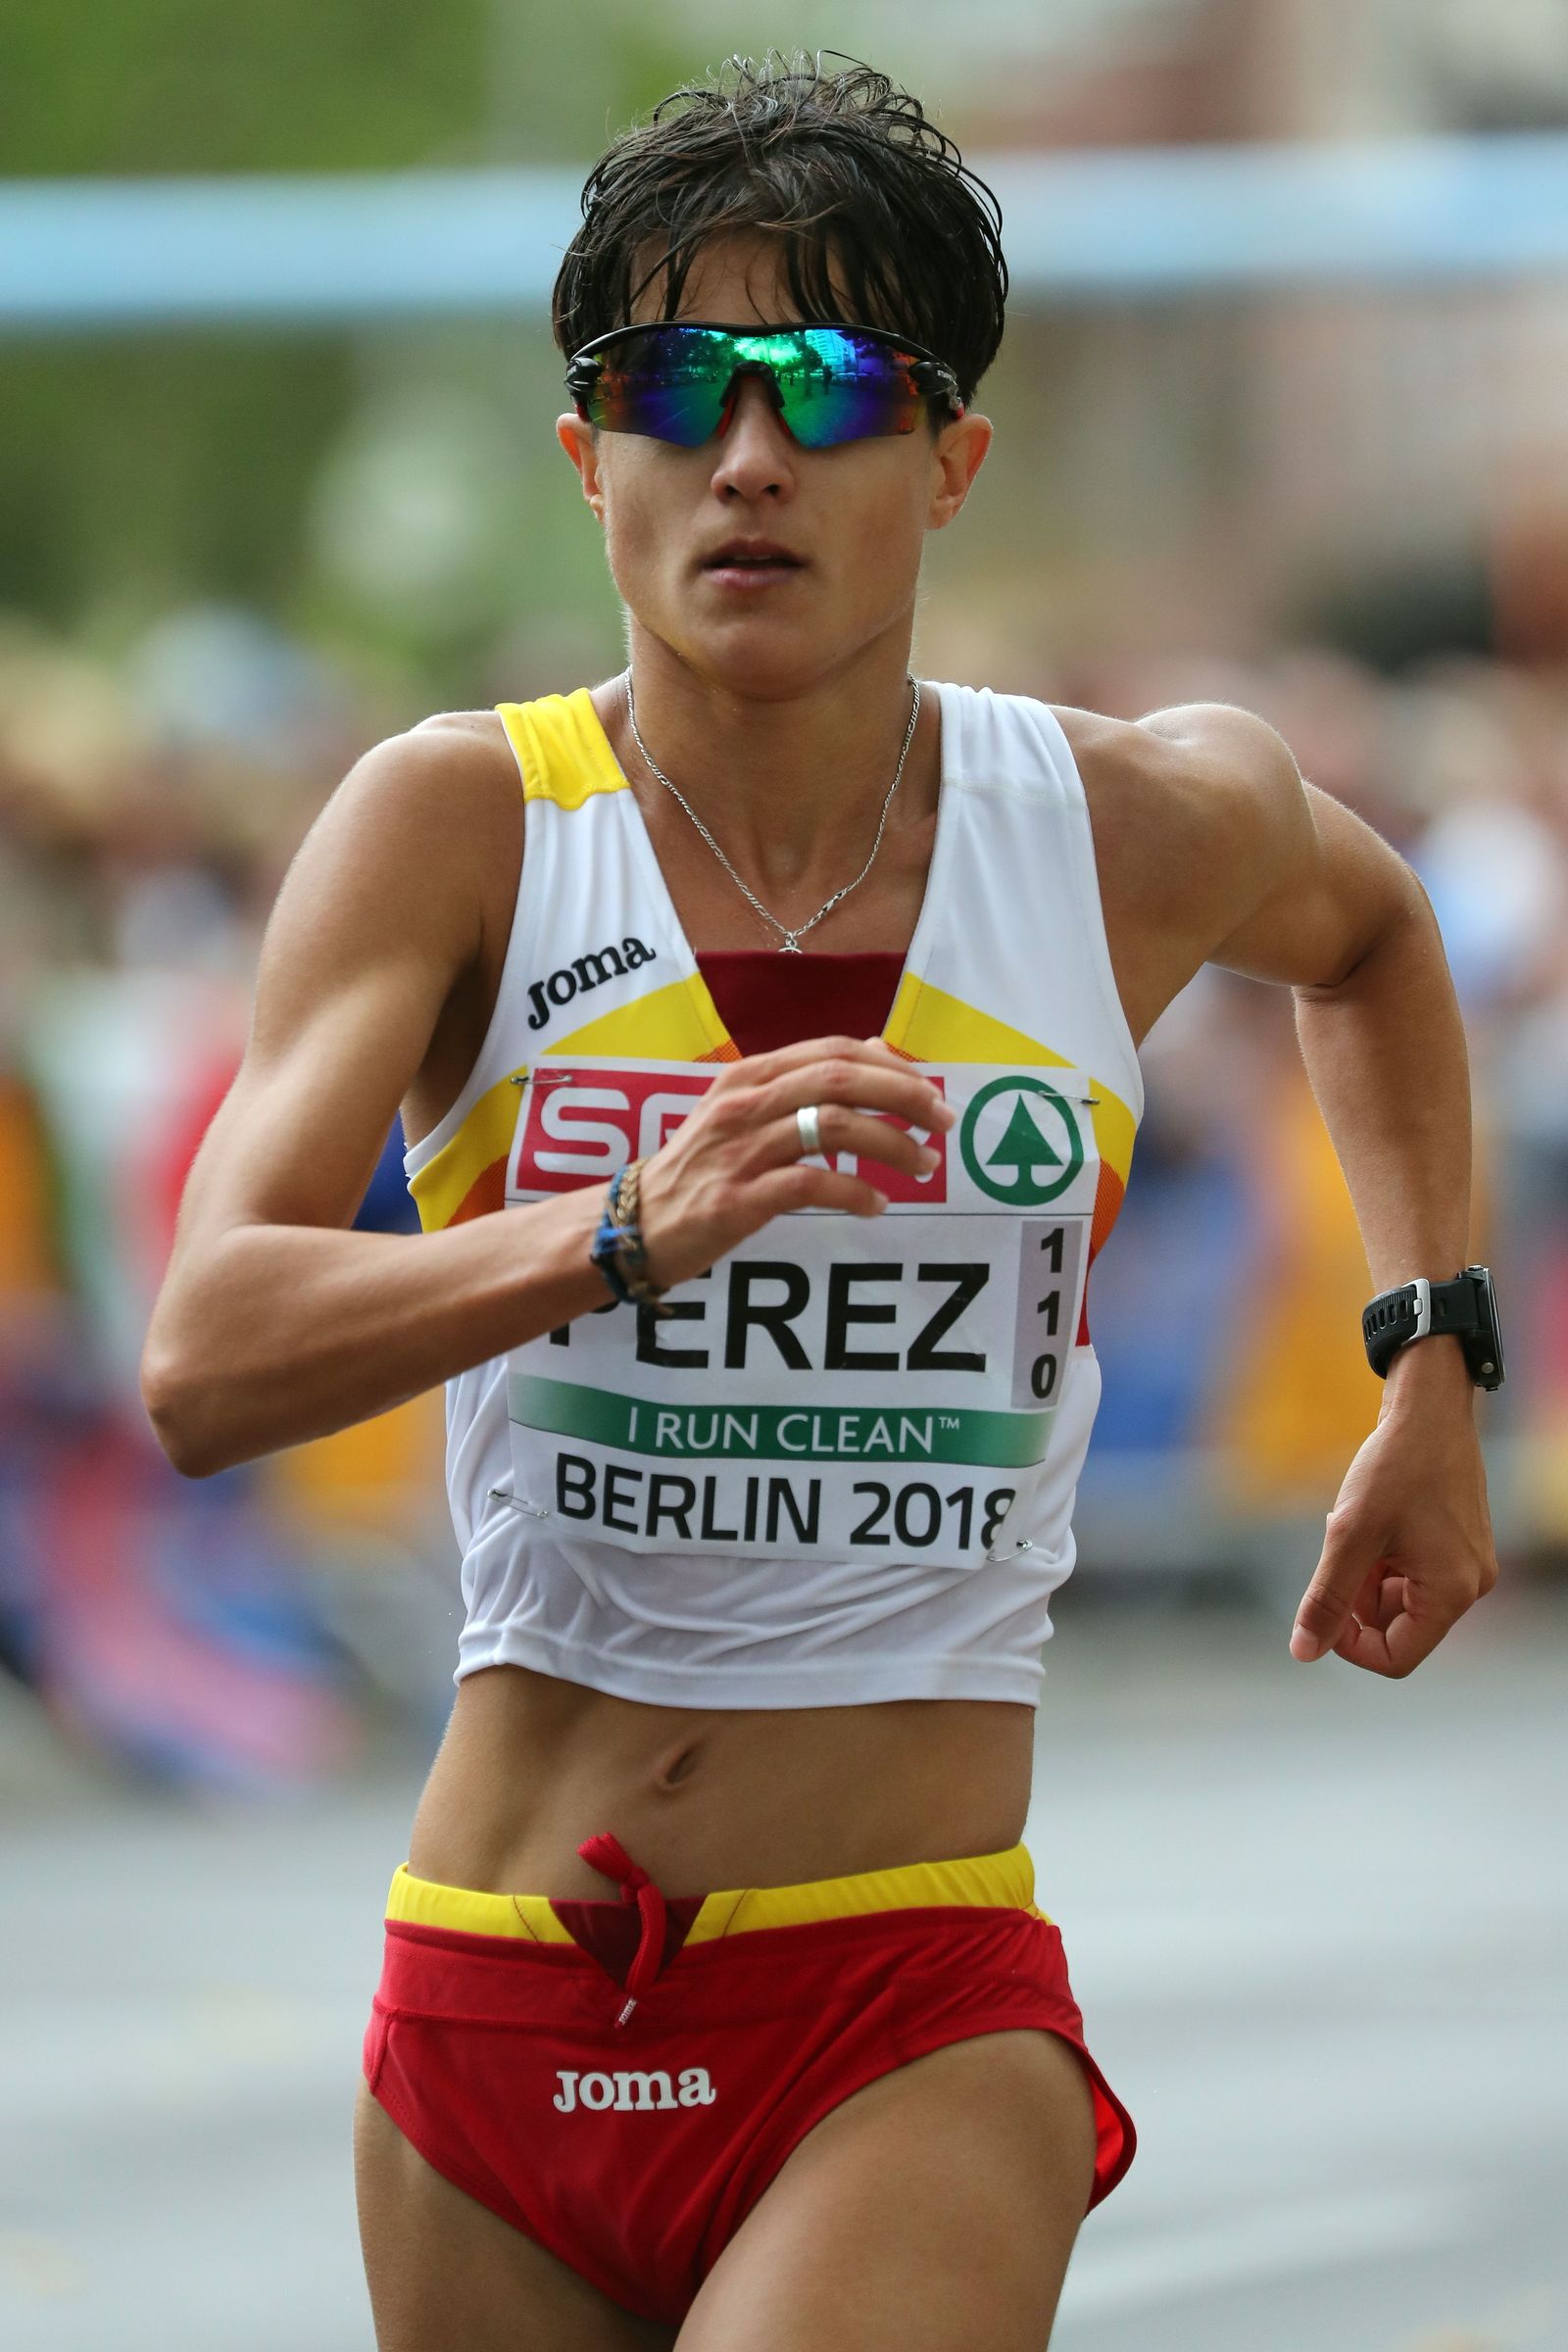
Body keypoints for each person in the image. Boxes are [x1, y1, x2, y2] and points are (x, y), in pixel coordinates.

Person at [139, 54, 1499, 2352]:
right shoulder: (455, 823)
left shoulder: (1120, 825)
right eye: (672, 383)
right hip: (488, 1995)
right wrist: (613, 1232)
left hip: (900, 1997)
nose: (746, 454)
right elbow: (203, 1356)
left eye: (830, 385)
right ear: (589, 462)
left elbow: (1371, 942)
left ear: (946, 460)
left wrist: (1431, 1359)